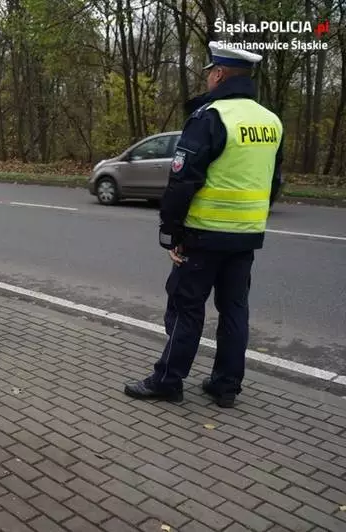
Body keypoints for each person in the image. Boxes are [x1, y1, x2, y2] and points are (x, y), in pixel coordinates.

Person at [124, 42, 284, 408]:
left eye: (211, 72)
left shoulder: (211, 116)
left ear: (219, 74)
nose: (209, 78)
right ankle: (226, 386)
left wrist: (172, 230)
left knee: (186, 307)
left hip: (204, 233)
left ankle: (168, 380)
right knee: (235, 309)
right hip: (246, 236)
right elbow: (274, 180)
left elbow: (183, 179)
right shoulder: (270, 120)